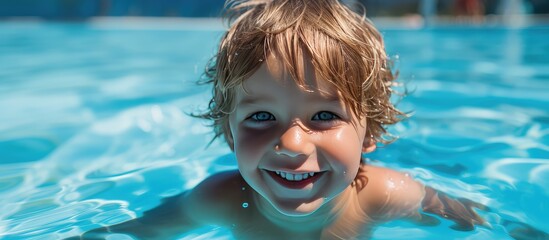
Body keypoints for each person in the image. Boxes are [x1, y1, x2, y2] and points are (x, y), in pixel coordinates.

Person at [77, 0, 485, 239]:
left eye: (324, 115)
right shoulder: (219, 201)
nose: (291, 144)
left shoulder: (381, 195)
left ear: (369, 132)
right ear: (228, 131)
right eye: (261, 116)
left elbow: (478, 222)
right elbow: (134, 232)